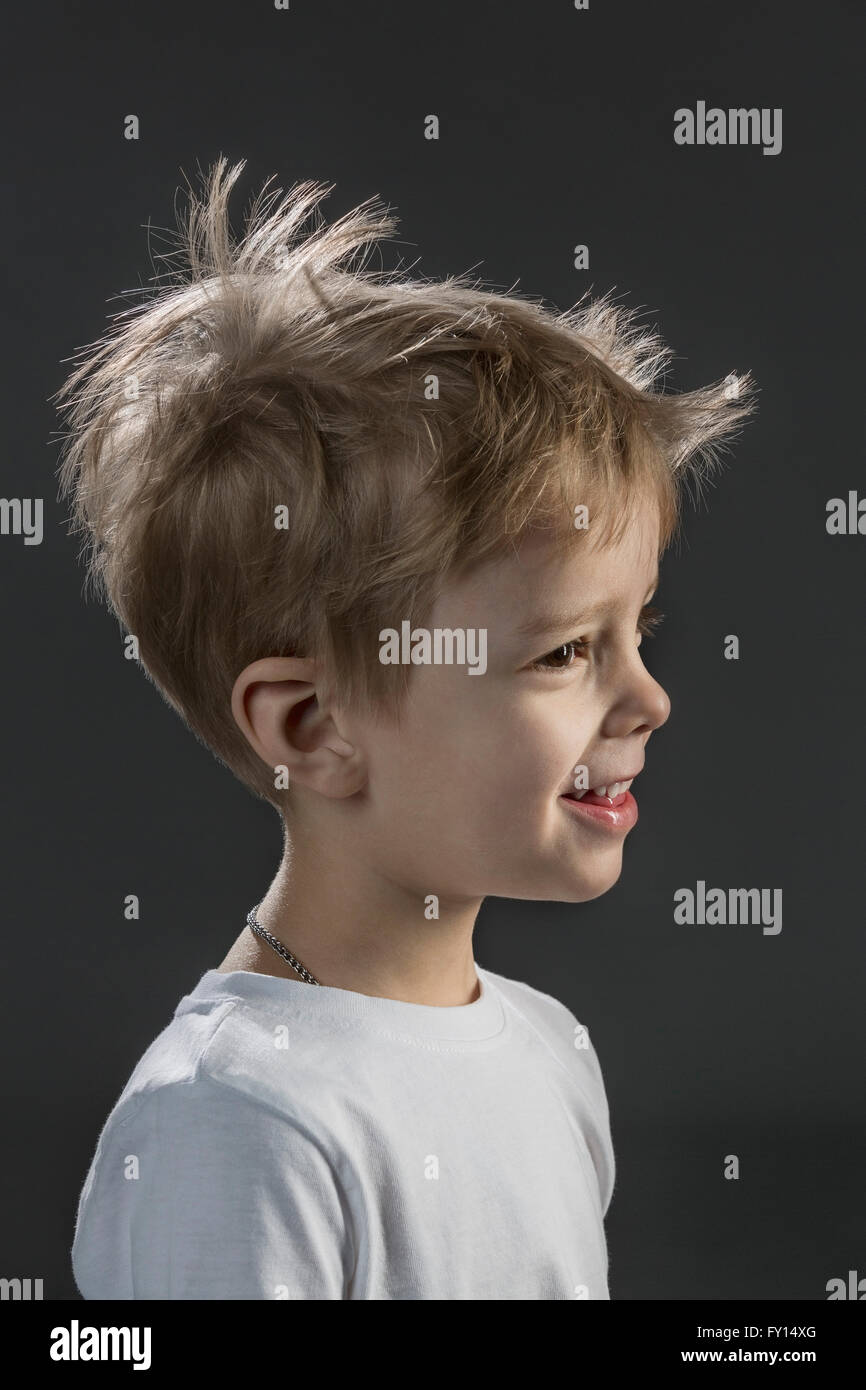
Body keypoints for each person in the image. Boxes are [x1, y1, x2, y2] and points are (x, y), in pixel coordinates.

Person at [56, 158, 755, 1299]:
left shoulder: (547, 1052)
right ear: (313, 726)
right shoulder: (233, 1123)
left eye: (637, 630)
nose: (647, 698)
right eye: (565, 651)